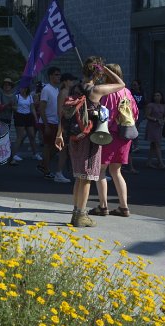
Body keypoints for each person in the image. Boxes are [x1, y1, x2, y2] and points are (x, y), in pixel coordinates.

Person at [54, 57, 125, 227]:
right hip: (89, 138)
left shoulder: (74, 88)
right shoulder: (97, 90)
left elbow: (64, 113)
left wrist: (59, 134)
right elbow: (121, 84)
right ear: (98, 73)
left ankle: (75, 212)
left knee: (79, 177)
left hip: (74, 136)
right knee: (86, 177)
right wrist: (106, 70)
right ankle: (81, 215)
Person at [91, 63, 140, 218]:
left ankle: (103, 206)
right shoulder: (127, 92)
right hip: (125, 134)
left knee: (101, 170)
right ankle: (123, 207)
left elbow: (105, 115)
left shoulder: (107, 92)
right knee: (116, 171)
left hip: (108, 134)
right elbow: (135, 113)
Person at [38, 68, 62, 177]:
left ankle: (43, 164)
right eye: (56, 74)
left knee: (56, 147)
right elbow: (42, 108)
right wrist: (46, 125)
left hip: (55, 122)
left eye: (59, 74)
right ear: (51, 76)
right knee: (47, 146)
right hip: (48, 122)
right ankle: (46, 169)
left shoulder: (57, 89)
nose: (58, 76)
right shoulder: (46, 89)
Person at [11, 82, 39, 162]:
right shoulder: (17, 96)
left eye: (25, 88)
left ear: (27, 89)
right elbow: (12, 106)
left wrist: (36, 118)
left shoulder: (30, 97)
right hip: (19, 116)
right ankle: (14, 155)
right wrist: (15, 108)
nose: (23, 89)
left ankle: (35, 154)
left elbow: (32, 108)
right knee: (20, 136)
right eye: (22, 88)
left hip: (28, 116)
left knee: (32, 135)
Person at [145, 91, 165, 169]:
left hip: (159, 126)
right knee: (157, 144)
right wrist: (155, 119)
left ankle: (149, 162)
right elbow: (147, 116)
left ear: (161, 97)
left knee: (153, 145)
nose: (157, 97)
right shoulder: (150, 105)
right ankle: (161, 163)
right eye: (155, 95)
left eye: (158, 95)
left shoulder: (164, 106)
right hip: (152, 126)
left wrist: (163, 120)